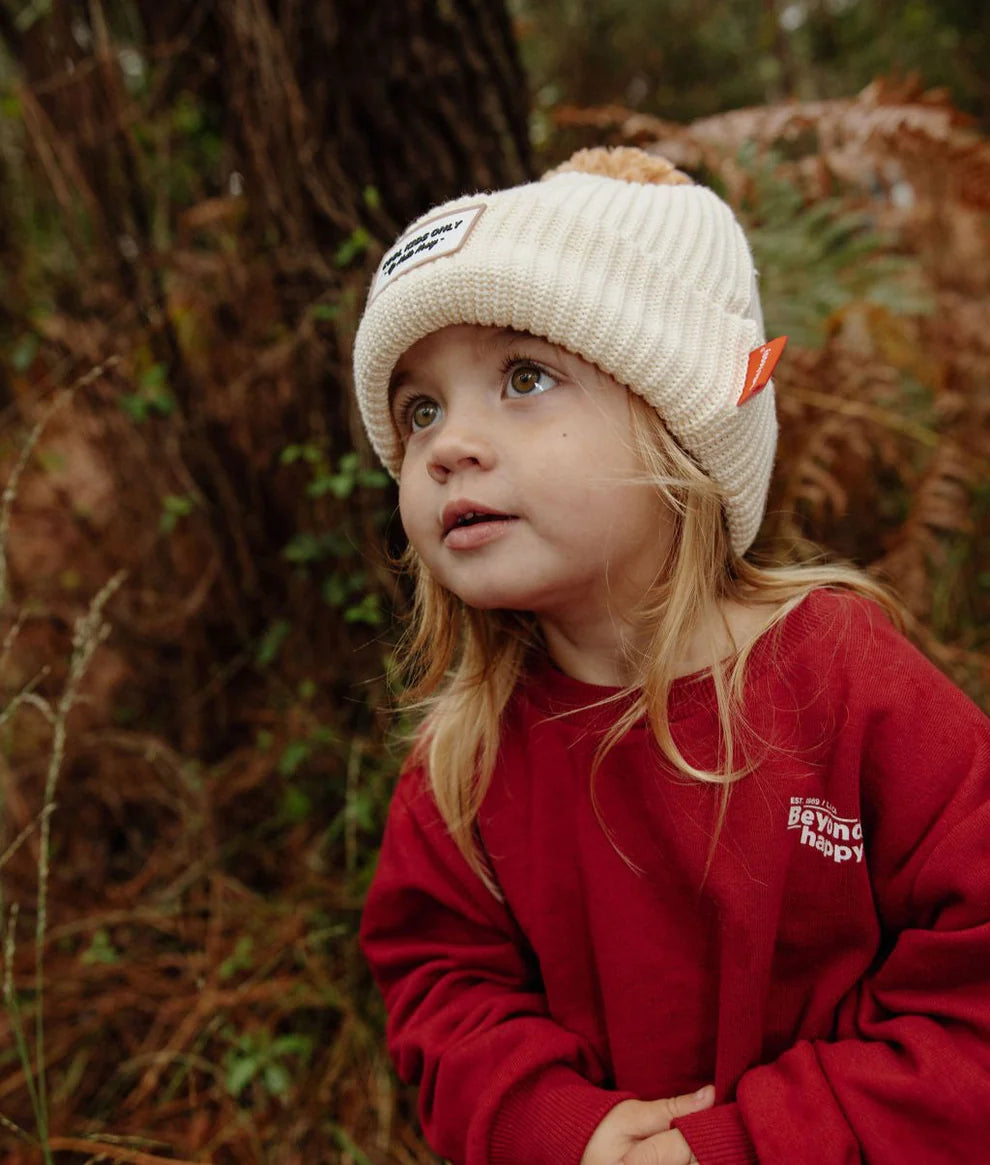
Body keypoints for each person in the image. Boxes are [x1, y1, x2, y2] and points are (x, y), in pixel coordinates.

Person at [351, 147, 990, 1164]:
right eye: (419, 407)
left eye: (524, 378)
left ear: (681, 429)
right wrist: (560, 1129)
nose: (445, 444)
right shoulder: (463, 764)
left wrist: (749, 1144)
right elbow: (442, 989)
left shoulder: (841, 680)